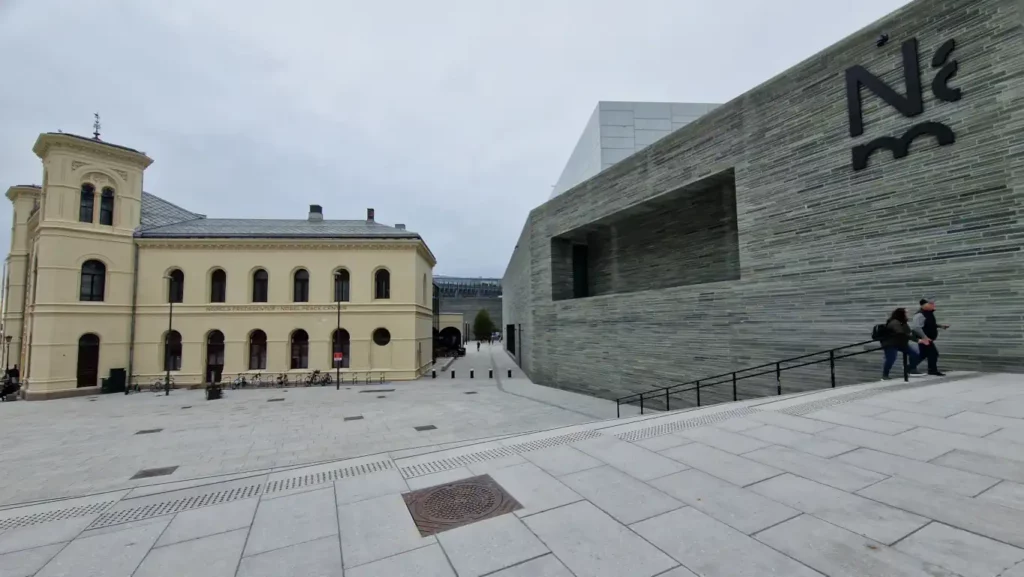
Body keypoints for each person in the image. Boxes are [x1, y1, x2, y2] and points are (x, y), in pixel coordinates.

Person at [880, 307, 923, 380]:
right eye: (906, 312)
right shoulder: (894, 322)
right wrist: (917, 340)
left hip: (900, 343)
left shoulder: (903, 322)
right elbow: (901, 333)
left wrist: (918, 338)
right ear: (901, 314)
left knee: (915, 354)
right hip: (891, 343)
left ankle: (910, 369)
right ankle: (885, 376)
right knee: (891, 359)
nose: (908, 314)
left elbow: (909, 333)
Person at [911, 298, 949, 376]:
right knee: (933, 353)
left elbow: (929, 324)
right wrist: (924, 337)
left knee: (924, 354)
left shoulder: (928, 313)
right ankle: (932, 370)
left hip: (927, 338)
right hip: (924, 338)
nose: (933, 305)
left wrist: (941, 326)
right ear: (923, 305)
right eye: (930, 304)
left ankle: (909, 368)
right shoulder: (919, 315)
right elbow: (916, 328)